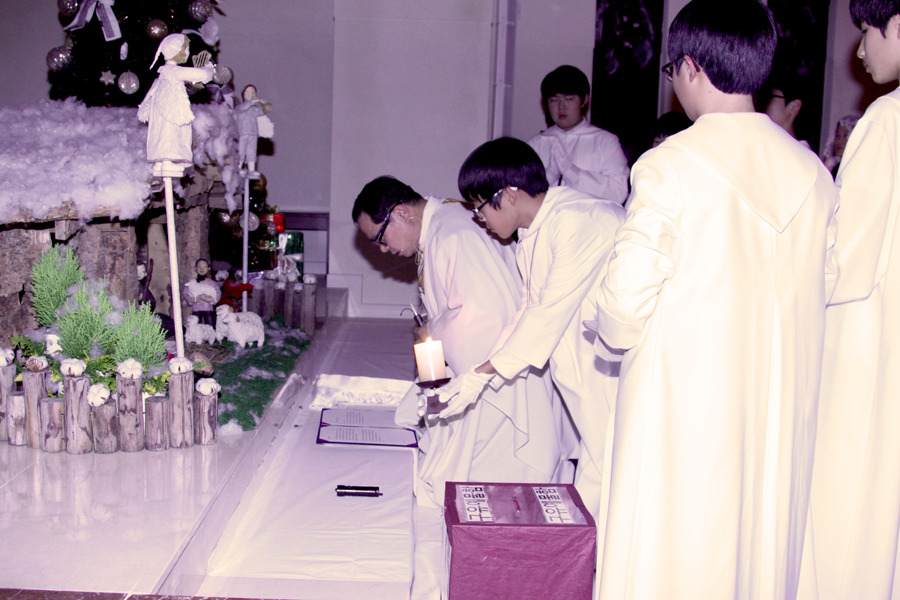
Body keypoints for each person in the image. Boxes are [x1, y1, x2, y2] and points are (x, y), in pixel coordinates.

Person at [591, 1, 838, 598]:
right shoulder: (812, 171)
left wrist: (607, 325)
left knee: (675, 549)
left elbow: (623, 307)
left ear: (691, 67)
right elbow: (828, 285)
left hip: (685, 401)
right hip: (781, 400)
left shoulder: (670, 164)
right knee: (759, 545)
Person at [353, 175, 571, 599]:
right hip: (479, 375)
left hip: (497, 389)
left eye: (380, 237)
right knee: (453, 483)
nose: (383, 250)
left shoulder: (453, 234)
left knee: (470, 493)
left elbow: (488, 317)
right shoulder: (441, 228)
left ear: (402, 213)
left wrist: (430, 335)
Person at [442, 137, 625, 517]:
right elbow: (527, 310)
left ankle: (601, 552)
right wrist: (478, 373)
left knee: (613, 466)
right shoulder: (534, 230)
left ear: (509, 195)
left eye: (479, 208)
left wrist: (483, 373)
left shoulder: (579, 220)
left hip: (611, 369)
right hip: (579, 367)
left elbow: (546, 314)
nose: (480, 220)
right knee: (597, 464)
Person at [797, 1, 900, 598]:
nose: (859, 50)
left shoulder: (886, 119)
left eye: (865, 32)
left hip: (869, 336)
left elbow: (847, 262)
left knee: (853, 495)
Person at [527, 65, 630, 205]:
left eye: (569, 99)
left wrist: (572, 173)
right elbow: (520, 195)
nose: (561, 107)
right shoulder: (535, 144)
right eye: (554, 100)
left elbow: (619, 192)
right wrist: (549, 176)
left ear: (584, 100)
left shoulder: (605, 141)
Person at [137, 33, 215, 176]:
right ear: (177, 50)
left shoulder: (163, 74)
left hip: (162, 118)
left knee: (163, 135)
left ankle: (162, 162)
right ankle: (168, 160)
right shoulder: (174, 72)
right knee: (171, 135)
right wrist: (209, 68)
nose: (187, 52)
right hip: (170, 117)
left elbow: (149, 95)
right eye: (185, 49)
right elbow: (202, 75)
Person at [760, 66, 813, 149]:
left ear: (793, 107)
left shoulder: (799, 153)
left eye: (770, 97)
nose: (761, 104)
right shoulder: (765, 144)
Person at [183, 259, 221, 327]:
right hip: (196, 308)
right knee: (196, 325)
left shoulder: (212, 283)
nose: (202, 269)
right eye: (199, 267)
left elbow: (218, 293)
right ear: (195, 268)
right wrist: (191, 299)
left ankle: (211, 333)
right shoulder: (192, 282)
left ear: (208, 268)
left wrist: (211, 300)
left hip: (208, 308)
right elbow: (185, 293)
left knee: (210, 325)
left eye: (204, 267)